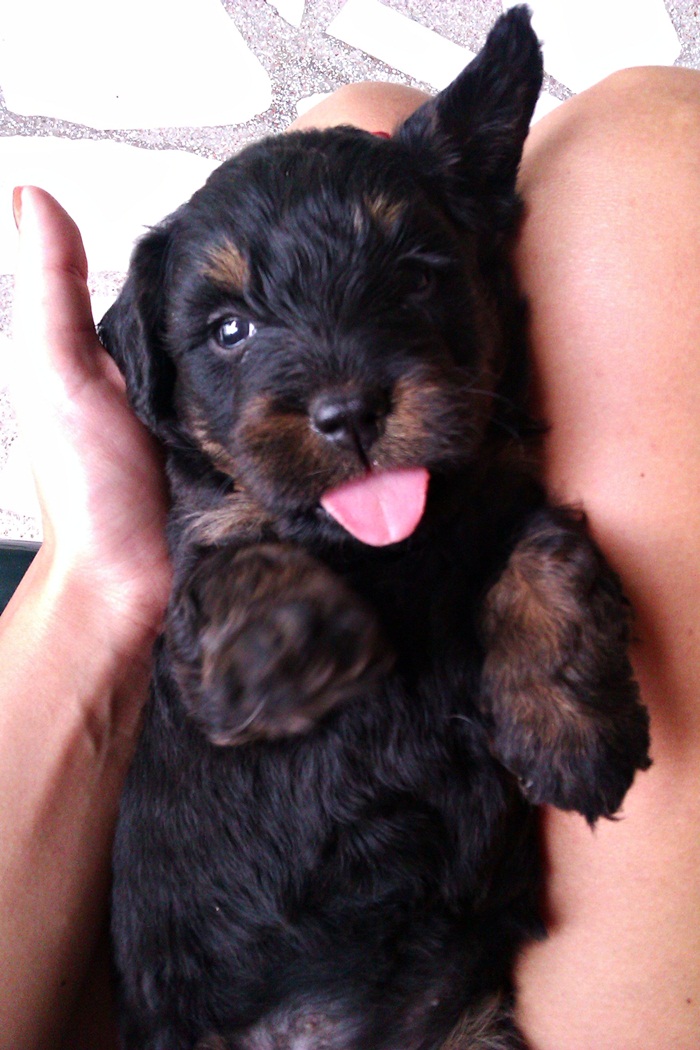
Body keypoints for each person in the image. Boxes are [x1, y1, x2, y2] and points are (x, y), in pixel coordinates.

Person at [2, 64, 700, 1050]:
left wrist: (540, 607)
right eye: (231, 329)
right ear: (153, 380)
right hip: (212, 1021)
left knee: (362, 117)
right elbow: (241, 662)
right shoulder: (237, 552)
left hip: (457, 1012)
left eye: (409, 280)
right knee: (646, 138)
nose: (339, 398)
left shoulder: (505, 524)